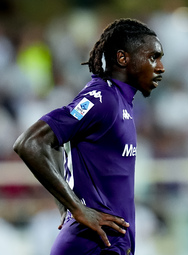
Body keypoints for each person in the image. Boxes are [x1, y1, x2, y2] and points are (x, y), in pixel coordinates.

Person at [13, 18, 165, 255]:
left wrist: (67, 204)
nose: (160, 67)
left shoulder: (121, 101)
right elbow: (30, 143)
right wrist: (75, 208)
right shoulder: (102, 99)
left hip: (106, 244)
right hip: (91, 246)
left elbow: (55, 145)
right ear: (123, 58)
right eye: (153, 57)